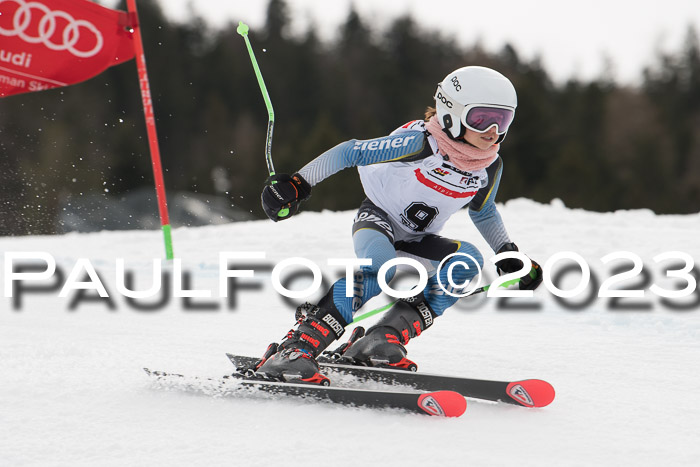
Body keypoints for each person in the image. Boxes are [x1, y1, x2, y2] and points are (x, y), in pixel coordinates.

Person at [254, 66, 543, 384]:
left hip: (418, 236)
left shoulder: (488, 166)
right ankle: (295, 349)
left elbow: (484, 211)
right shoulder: (419, 143)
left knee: (466, 262)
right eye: (481, 118)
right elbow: (350, 152)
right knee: (381, 270)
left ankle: (380, 339)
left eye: (502, 120)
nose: (492, 130)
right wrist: (298, 184)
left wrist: (507, 252)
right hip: (378, 219)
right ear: (451, 113)